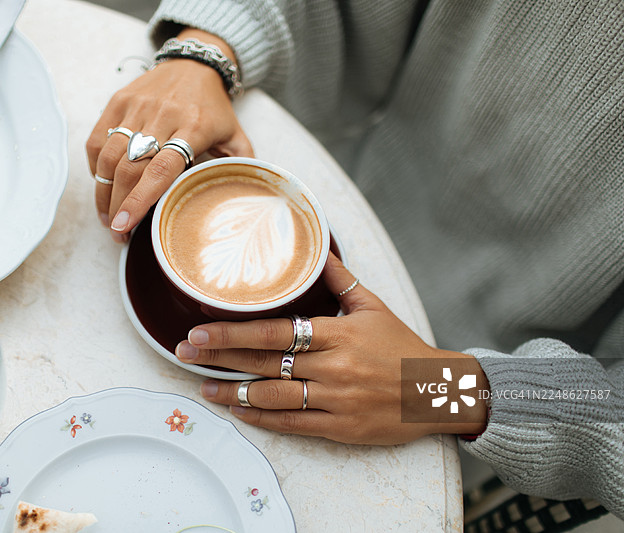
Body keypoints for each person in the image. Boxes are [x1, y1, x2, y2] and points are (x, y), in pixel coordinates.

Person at [85, 0, 624, 521]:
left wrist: (451, 390)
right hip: (342, 182)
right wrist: (208, 52)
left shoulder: (449, 391)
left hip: (459, 403)